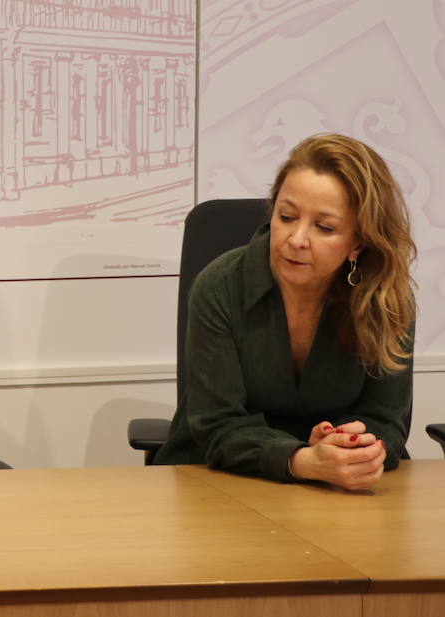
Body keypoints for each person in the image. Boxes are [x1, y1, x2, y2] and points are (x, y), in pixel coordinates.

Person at [156, 133, 415, 489]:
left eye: (323, 227)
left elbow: (386, 419)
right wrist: (302, 460)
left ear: (358, 242)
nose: (296, 239)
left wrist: (354, 447)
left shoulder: (385, 300)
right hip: (217, 480)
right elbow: (218, 425)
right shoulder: (219, 286)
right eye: (287, 216)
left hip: (337, 490)